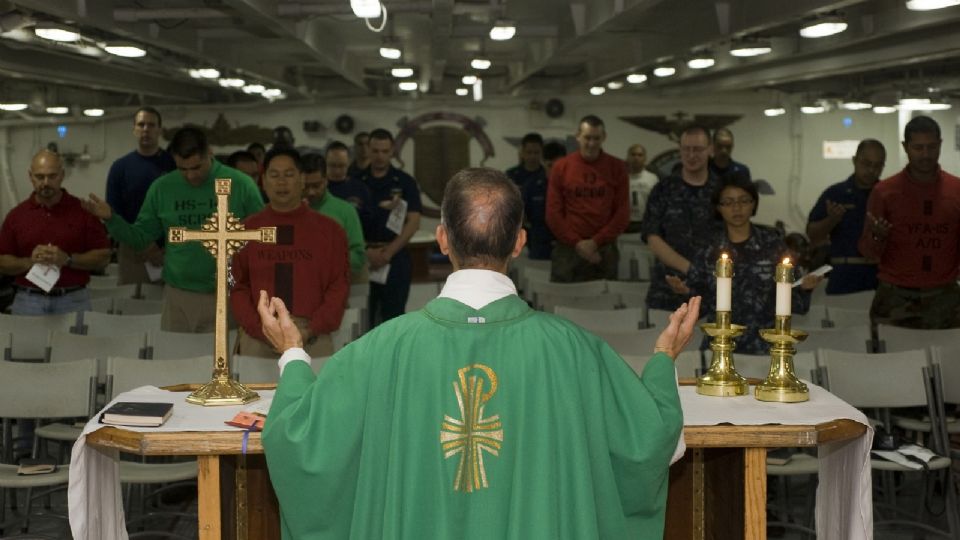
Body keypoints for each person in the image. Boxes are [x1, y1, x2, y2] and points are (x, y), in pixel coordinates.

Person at [259, 167, 699, 539]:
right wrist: (661, 360)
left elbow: (300, 441)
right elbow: (646, 441)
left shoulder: (378, 349)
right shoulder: (575, 350)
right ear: (520, 242)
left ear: (443, 239)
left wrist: (293, 355)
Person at [83, 126, 264, 332]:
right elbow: (141, 237)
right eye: (183, 169)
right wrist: (111, 219)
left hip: (228, 293)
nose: (190, 176)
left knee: (223, 364)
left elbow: (262, 239)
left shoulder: (241, 185)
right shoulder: (162, 188)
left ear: (209, 153)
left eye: (197, 167)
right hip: (178, 295)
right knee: (174, 362)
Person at [667, 173, 822, 353]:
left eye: (743, 201)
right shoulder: (709, 249)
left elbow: (792, 300)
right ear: (719, 208)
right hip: (720, 346)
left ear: (753, 204)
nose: (737, 208)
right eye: (729, 202)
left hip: (765, 346)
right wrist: (684, 291)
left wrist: (805, 288)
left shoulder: (773, 244)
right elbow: (700, 304)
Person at [230, 148, 349, 358]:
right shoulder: (247, 230)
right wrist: (261, 329)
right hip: (259, 335)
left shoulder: (330, 231)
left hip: (313, 335)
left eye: (289, 175)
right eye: (274, 175)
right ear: (263, 181)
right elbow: (238, 287)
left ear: (302, 179)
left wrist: (309, 330)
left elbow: (338, 286)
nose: (281, 182)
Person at [859, 115, 960, 329]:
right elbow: (868, 252)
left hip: (946, 297)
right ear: (905, 147)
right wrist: (878, 236)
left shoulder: (956, 191)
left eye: (931, 147)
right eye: (918, 148)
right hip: (896, 297)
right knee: (893, 361)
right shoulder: (885, 192)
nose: (925, 154)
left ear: (940, 145)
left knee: (950, 362)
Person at [0, 150, 110, 314]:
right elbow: (2, 261)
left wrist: (67, 259)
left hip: (73, 299)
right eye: (39, 176)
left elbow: (104, 257)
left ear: (62, 175)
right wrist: (30, 262)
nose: (46, 182)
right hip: (28, 300)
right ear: (30, 176)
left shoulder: (83, 211)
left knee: (76, 341)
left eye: (52, 176)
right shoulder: (16, 216)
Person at [643, 125, 723, 310]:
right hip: (667, 289)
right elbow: (652, 237)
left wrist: (702, 274)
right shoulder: (663, 189)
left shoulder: (722, 190)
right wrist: (689, 269)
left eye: (698, 149)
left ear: (710, 150)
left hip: (711, 289)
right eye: (686, 149)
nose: (691, 155)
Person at [545, 115, 629, 282]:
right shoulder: (561, 167)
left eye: (596, 138)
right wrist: (577, 243)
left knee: (606, 302)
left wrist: (595, 242)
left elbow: (622, 212)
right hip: (568, 248)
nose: (591, 143)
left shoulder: (617, 167)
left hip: (604, 248)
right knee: (561, 301)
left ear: (604, 137)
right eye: (587, 138)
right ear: (578, 136)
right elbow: (553, 213)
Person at [355, 128, 422, 328]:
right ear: (368, 150)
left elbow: (413, 221)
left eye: (384, 151)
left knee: (394, 318)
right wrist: (367, 251)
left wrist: (387, 253)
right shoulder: (356, 181)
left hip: (395, 257)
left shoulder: (404, 182)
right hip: (363, 254)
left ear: (392, 151)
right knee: (362, 317)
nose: (379, 156)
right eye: (375, 151)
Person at [105, 106, 175, 285]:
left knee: (166, 306)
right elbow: (113, 213)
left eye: (151, 125)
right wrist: (143, 245)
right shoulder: (120, 167)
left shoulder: (173, 165)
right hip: (132, 249)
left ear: (160, 130)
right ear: (134, 129)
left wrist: (160, 247)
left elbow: (179, 208)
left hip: (169, 249)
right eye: (141, 125)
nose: (146, 130)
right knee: (132, 304)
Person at [806, 139, 886, 295]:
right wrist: (832, 220)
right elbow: (812, 234)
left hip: (880, 278)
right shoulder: (835, 194)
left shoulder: (889, 195)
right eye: (866, 163)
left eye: (877, 166)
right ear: (855, 160)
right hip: (843, 276)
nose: (871, 170)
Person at [302, 152, 367, 282]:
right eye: (305, 186)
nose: (311, 192)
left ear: (326, 180)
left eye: (316, 185)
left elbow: (358, 257)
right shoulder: (285, 211)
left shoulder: (345, 211)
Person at [522, 141, 565, 260]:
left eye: (559, 165)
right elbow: (523, 218)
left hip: (566, 247)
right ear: (543, 162)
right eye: (551, 165)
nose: (555, 170)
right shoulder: (531, 185)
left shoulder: (572, 186)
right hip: (539, 247)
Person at [324, 140, 373, 221]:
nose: (337, 171)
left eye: (341, 166)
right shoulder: (318, 188)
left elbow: (368, 222)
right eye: (332, 165)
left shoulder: (361, 189)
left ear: (349, 162)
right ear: (325, 162)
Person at [626, 143, 660, 232]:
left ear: (645, 158)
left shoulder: (653, 179)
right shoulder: (620, 179)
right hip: (626, 225)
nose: (636, 158)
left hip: (646, 224)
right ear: (627, 157)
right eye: (633, 154)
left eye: (640, 155)